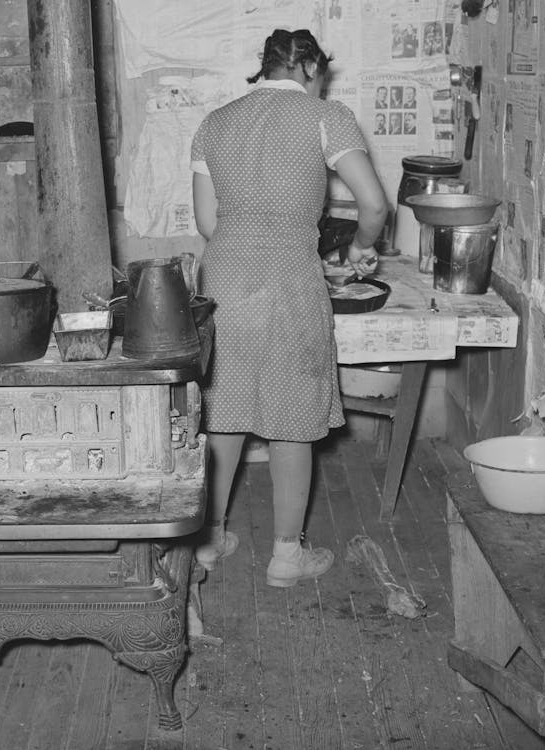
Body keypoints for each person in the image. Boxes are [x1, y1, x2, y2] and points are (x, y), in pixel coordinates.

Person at [189, 29, 387, 586]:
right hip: (287, 284)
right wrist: (362, 248)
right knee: (292, 420)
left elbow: (210, 225)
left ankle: (208, 542)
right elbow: (373, 204)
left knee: (222, 414)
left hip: (223, 282)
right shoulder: (327, 117)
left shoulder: (215, 123)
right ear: (306, 67)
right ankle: (285, 556)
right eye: (319, 72)